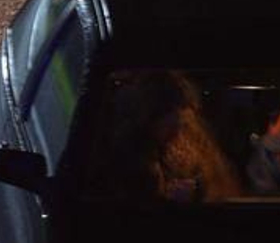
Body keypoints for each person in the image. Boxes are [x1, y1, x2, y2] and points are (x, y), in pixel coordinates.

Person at [100, 70, 243, 203]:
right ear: (151, 117)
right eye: (171, 126)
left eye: (181, 124)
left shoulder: (184, 144)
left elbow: (216, 182)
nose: (178, 132)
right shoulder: (132, 156)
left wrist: (194, 188)